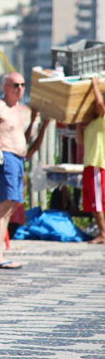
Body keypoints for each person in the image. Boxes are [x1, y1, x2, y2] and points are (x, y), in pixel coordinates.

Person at [0, 72, 39, 269]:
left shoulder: (18, 109)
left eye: (22, 85)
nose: (20, 88)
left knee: (11, 206)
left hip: (19, 159)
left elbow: (22, 137)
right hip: (8, 158)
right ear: (5, 87)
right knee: (3, 206)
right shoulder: (0, 106)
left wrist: (39, 121)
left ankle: (0, 253)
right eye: (15, 85)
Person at [78, 76, 105, 244]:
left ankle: (103, 233)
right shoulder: (92, 125)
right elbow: (81, 141)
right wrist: (78, 121)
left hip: (97, 165)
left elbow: (101, 105)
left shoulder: (103, 121)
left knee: (98, 203)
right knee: (93, 203)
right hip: (89, 166)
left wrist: (95, 85)